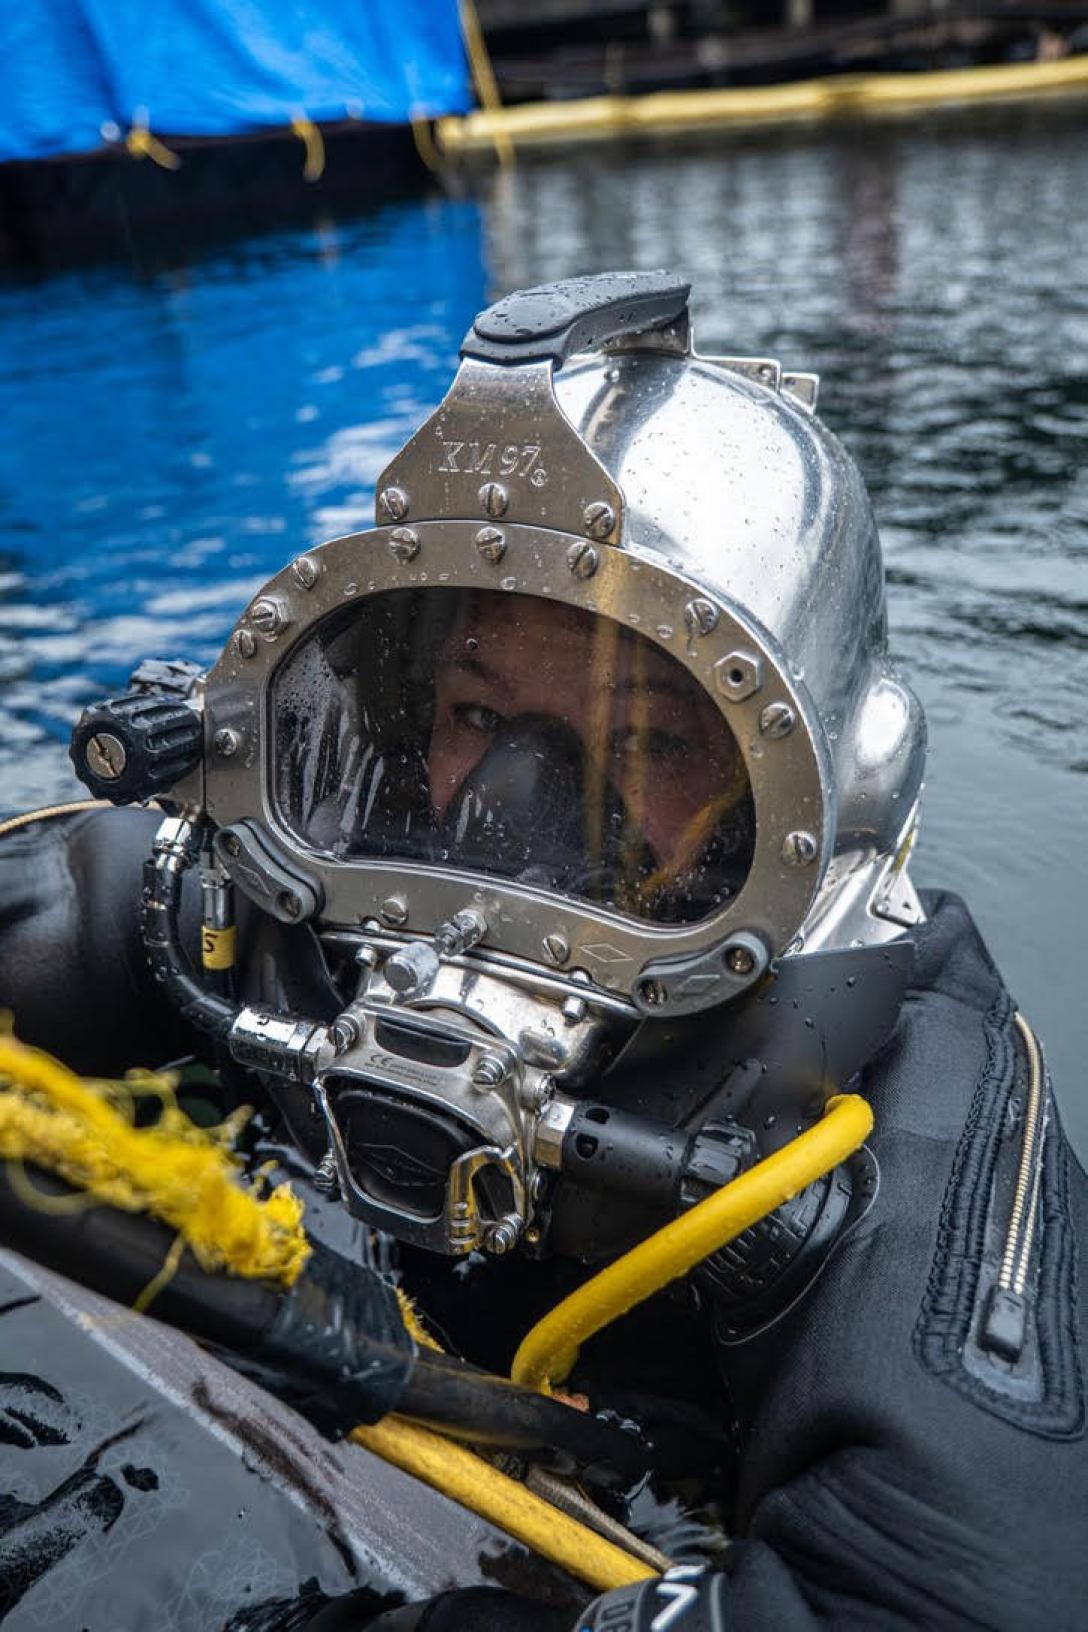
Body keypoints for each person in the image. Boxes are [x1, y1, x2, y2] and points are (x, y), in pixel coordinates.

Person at [2, 272, 1086, 1631]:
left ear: (821, 802)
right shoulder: (298, 892)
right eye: (474, 712)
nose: (510, 808)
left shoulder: (906, 1109)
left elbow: (948, 1593)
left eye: (653, 741)